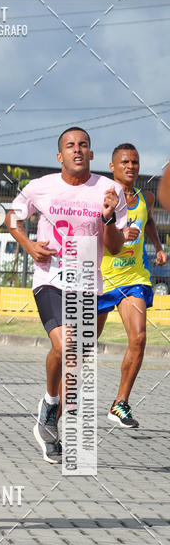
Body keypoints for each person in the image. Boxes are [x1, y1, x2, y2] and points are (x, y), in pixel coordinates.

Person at [5, 127, 127, 463]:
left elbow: (115, 248)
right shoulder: (40, 187)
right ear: (60, 156)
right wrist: (30, 246)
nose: (77, 150)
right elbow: (13, 218)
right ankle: (51, 401)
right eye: (70, 146)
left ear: (91, 153)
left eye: (83, 145)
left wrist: (109, 217)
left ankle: (49, 420)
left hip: (88, 281)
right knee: (65, 345)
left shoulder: (110, 190)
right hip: (50, 278)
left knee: (75, 360)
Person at [98, 144, 167, 428]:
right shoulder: (102, 197)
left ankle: (120, 403)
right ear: (112, 166)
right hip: (101, 278)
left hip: (134, 278)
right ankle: (61, 402)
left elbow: (148, 220)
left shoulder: (145, 197)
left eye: (135, 162)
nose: (131, 166)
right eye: (125, 162)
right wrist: (117, 232)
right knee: (83, 346)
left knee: (138, 339)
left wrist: (158, 247)